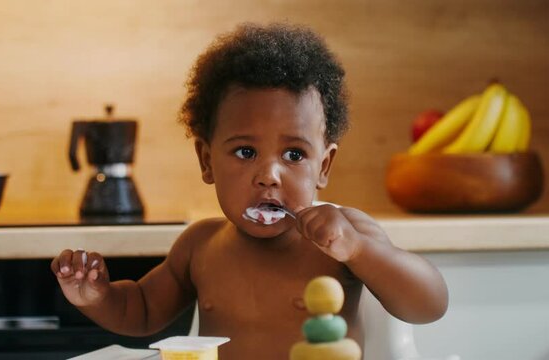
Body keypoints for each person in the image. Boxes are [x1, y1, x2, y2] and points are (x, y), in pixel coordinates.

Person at [51, 22, 448, 359]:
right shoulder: (199, 246)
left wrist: (361, 252)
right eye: (245, 151)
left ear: (323, 166)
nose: (269, 175)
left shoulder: (346, 235)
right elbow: (139, 311)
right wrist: (96, 297)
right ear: (207, 161)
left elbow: (429, 305)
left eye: (294, 154)